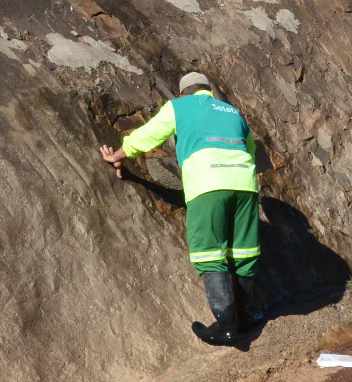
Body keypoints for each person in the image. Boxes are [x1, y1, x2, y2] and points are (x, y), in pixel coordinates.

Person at [99, 72, 260, 347]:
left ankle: (226, 327)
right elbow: (251, 148)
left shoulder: (179, 106)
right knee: (244, 252)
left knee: (209, 253)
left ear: (183, 92)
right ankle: (245, 316)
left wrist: (118, 154)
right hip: (245, 183)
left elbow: (149, 135)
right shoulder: (232, 111)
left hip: (208, 183)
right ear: (208, 90)